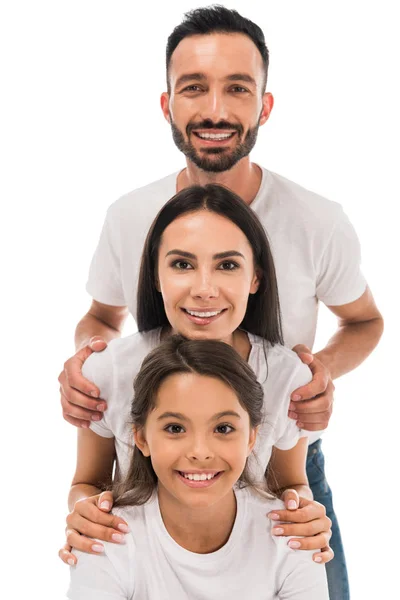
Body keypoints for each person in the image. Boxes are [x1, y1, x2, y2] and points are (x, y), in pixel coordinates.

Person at [58, 7, 383, 599]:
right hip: (157, 461)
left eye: (237, 88)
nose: (214, 109)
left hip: (283, 447)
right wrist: (89, 368)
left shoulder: (318, 221)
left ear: (265, 104)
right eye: (194, 88)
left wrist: (316, 380)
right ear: (167, 105)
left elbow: (364, 321)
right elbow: (101, 320)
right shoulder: (130, 217)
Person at [62, 185, 332, 570]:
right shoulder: (108, 372)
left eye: (227, 265)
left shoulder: (288, 376)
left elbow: (290, 484)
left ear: (255, 278)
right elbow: (85, 483)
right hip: (141, 572)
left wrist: (302, 511)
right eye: (182, 265)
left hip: (246, 574)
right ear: (156, 275)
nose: (204, 290)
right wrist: (85, 511)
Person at [67, 336, 329, 599]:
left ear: (251, 438)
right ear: (142, 438)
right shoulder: (106, 538)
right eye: (175, 428)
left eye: (223, 428)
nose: (200, 452)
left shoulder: (293, 537)